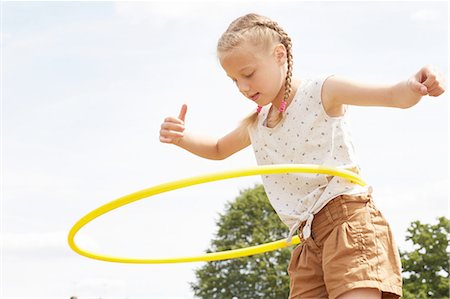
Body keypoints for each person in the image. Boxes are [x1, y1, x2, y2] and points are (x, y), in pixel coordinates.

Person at [159, 13, 445, 299]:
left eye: (248, 74)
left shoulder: (321, 91)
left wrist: (414, 86)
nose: (243, 87)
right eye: (234, 80)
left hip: (347, 224)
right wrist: (182, 138)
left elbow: (392, 96)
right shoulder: (258, 123)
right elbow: (219, 149)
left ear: (279, 55)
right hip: (308, 242)